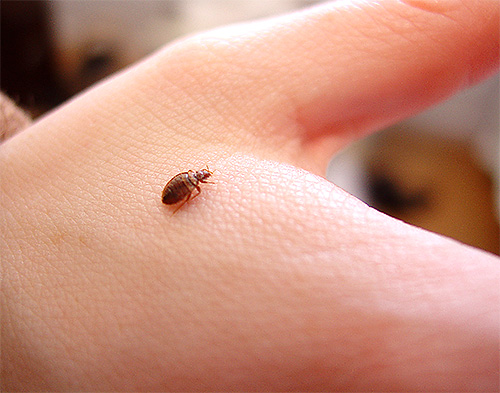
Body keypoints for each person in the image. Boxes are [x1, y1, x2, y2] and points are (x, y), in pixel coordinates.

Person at [2, 1, 498, 391]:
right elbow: (176, 194)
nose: (197, 182)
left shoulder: (191, 182)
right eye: (197, 178)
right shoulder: (187, 186)